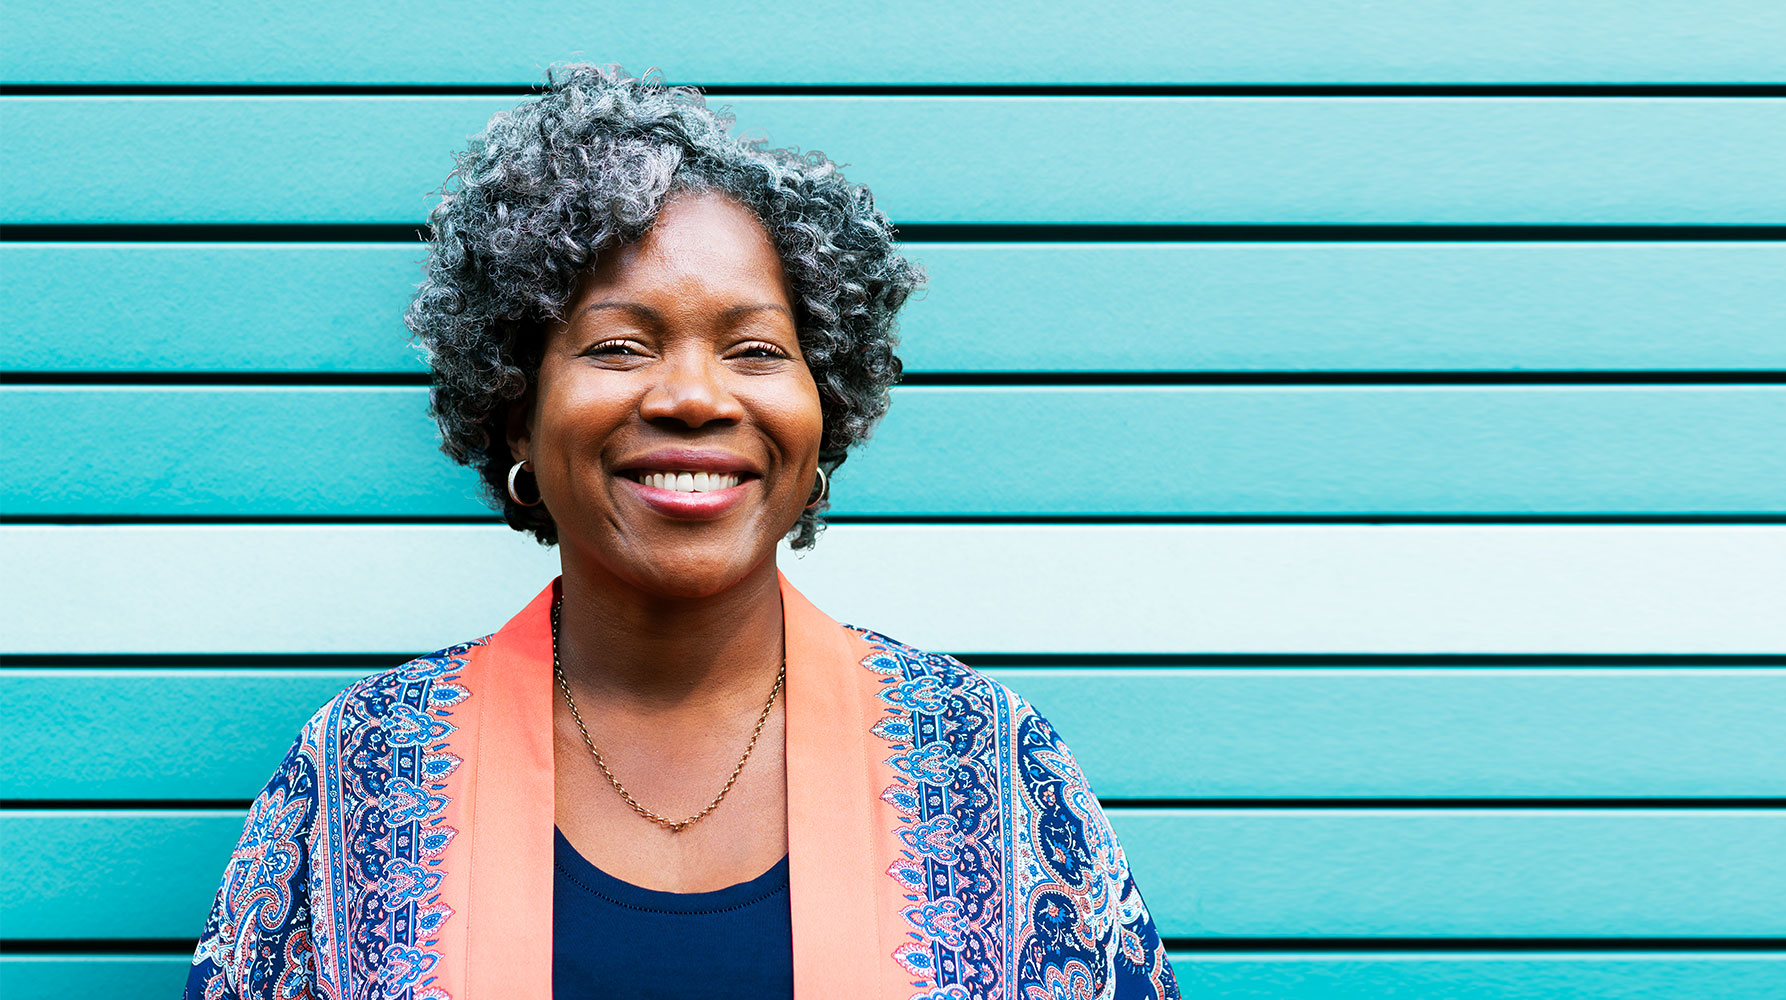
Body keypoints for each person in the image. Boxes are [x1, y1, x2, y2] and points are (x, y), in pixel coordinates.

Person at [184, 62, 1179, 1000]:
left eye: (753, 348)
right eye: (620, 344)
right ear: (517, 409)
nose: (694, 396)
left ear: (820, 410)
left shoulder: (990, 770)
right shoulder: (359, 774)